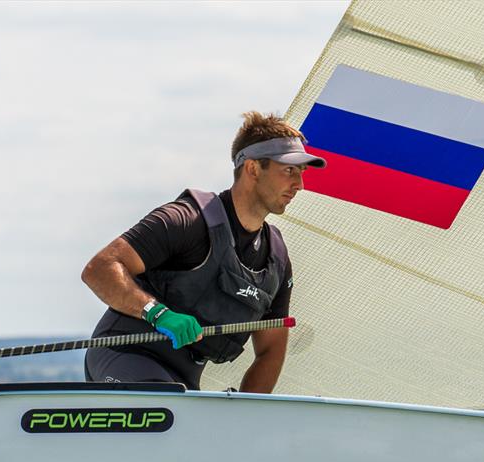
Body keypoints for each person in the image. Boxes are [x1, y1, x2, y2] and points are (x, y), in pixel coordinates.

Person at [81, 111, 326, 392]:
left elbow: (270, 350)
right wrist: (158, 313)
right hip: (126, 357)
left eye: (301, 173)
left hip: (183, 381)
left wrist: (245, 417)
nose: (300, 185)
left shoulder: (277, 260)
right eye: (289, 171)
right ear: (253, 169)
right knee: (169, 409)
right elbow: (99, 268)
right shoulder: (186, 220)